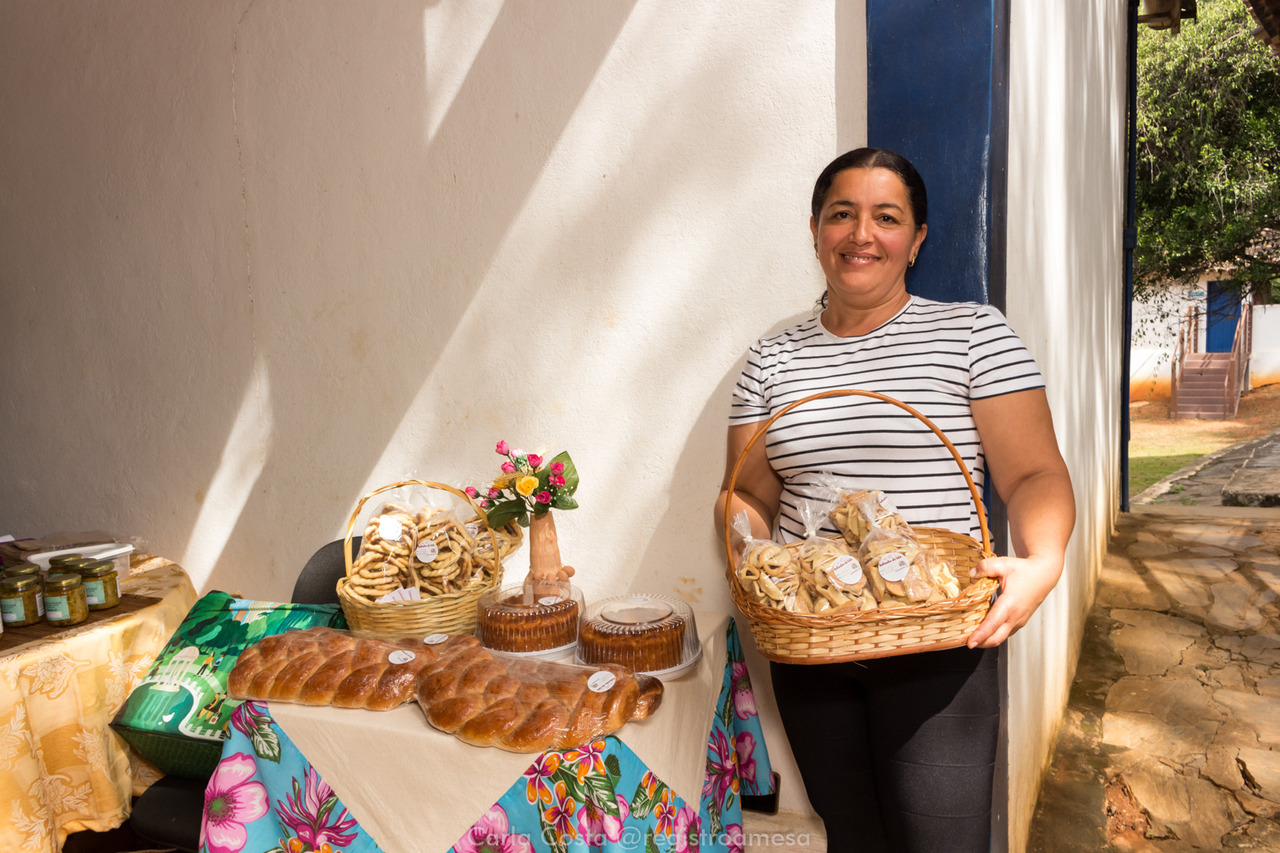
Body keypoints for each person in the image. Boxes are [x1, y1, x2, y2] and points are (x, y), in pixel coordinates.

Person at [713, 147, 1075, 853]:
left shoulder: (974, 334)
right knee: (852, 837)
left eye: (886, 217)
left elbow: (1033, 473)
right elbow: (749, 491)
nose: (861, 234)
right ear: (815, 230)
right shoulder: (772, 358)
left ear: (918, 238)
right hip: (812, 643)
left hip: (937, 640)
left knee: (942, 842)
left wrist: (1043, 560)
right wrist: (751, 560)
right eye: (841, 214)